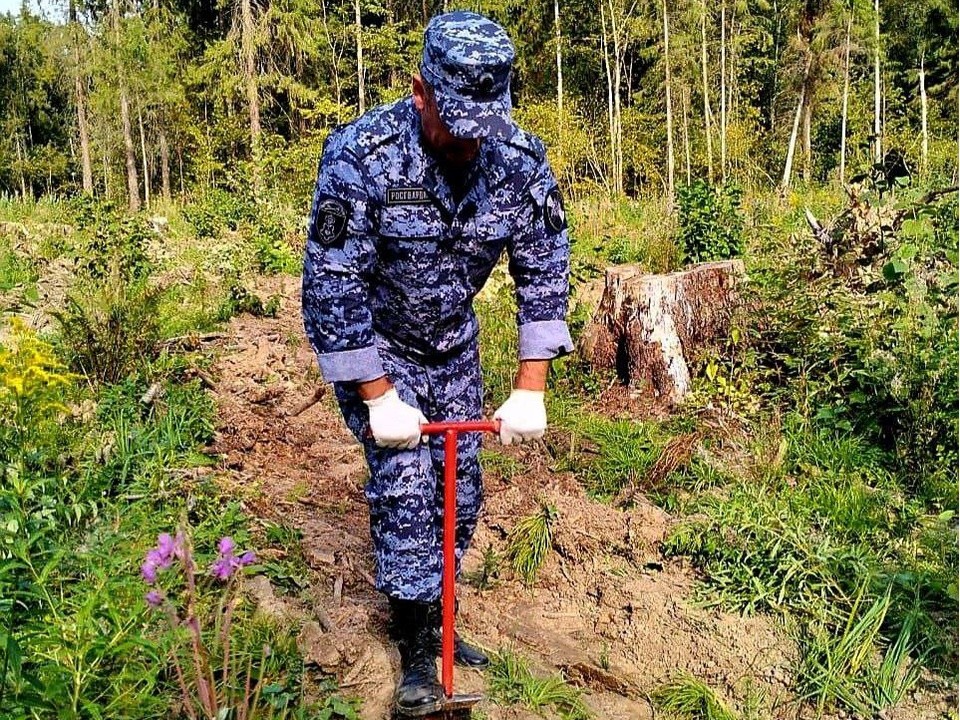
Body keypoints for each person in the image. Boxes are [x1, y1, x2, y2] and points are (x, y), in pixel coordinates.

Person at [301, 10, 572, 716]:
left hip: (454, 342)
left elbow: (544, 265)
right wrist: (378, 396)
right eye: (456, 122)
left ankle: (439, 615)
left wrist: (531, 385)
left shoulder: (519, 158)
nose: (469, 141)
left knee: (463, 491)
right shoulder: (363, 154)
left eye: (485, 121)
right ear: (420, 91)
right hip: (380, 344)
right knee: (407, 487)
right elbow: (332, 283)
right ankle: (419, 645)